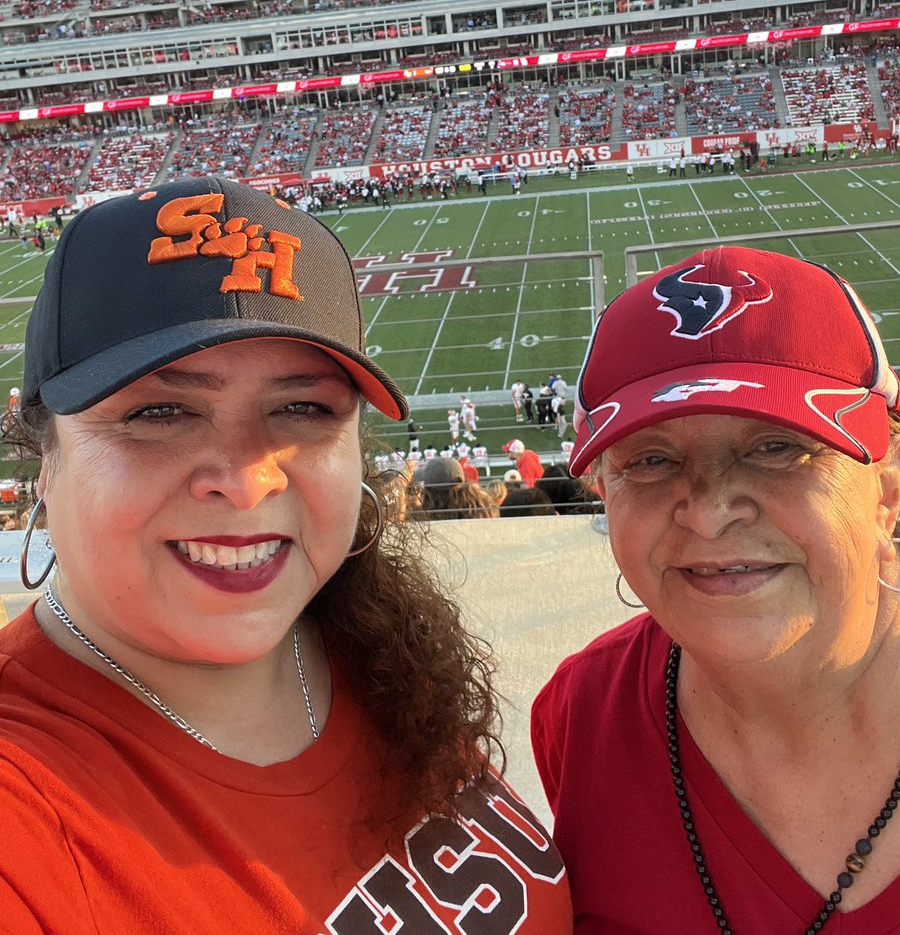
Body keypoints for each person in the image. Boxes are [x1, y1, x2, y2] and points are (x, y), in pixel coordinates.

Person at [0, 179, 571, 933]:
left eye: (301, 408)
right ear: (45, 456)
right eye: (159, 412)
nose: (245, 480)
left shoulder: (372, 643)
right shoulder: (26, 812)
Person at [532, 244, 900, 933]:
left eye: (777, 447)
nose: (707, 510)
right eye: (649, 460)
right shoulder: (581, 715)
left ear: (885, 486)